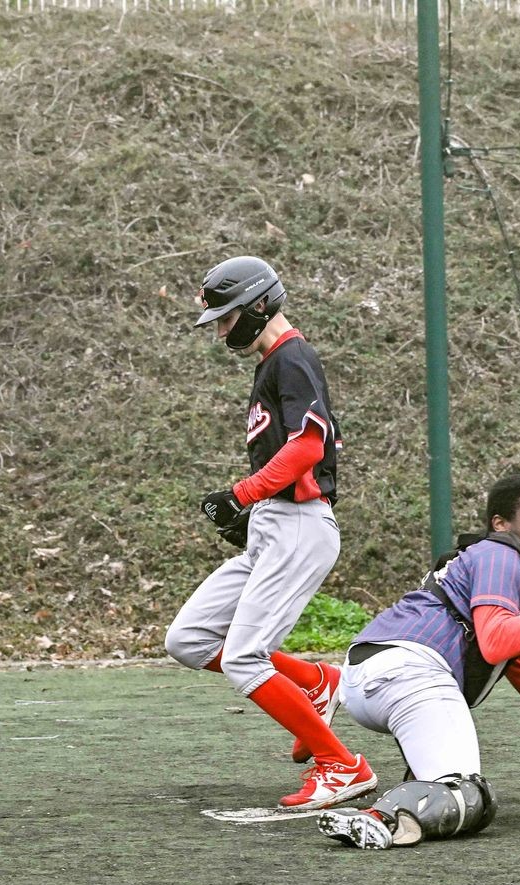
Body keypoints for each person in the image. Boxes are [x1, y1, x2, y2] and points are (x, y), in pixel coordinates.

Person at [164, 255, 377, 810]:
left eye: (227, 318)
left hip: (299, 526)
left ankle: (342, 766)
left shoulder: (292, 357)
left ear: (259, 305)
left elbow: (308, 446)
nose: (221, 332)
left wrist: (243, 494)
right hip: (276, 524)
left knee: (244, 658)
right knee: (187, 639)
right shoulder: (273, 364)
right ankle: (317, 682)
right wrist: (253, 510)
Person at [316, 474, 520, 850]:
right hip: (410, 672)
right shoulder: (501, 554)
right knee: (468, 794)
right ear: (501, 524)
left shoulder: (490, 570)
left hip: (372, 677)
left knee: (455, 793)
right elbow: (496, 643)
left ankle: (409, 796)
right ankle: (377, 817)